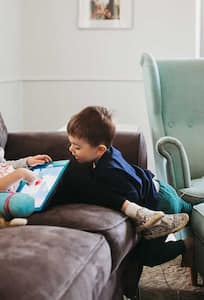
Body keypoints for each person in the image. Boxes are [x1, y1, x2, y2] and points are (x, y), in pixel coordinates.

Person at [64, 106, 193, 266]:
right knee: (190, 209)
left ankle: (187, 245)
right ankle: (191, 212)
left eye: (77, 147)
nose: (71, 150)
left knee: (149, 257)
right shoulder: (109, 153)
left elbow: (133, 197)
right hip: (162, 188)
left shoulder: (109, 171)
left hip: (160, 202)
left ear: (99, 150)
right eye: (71, 144)